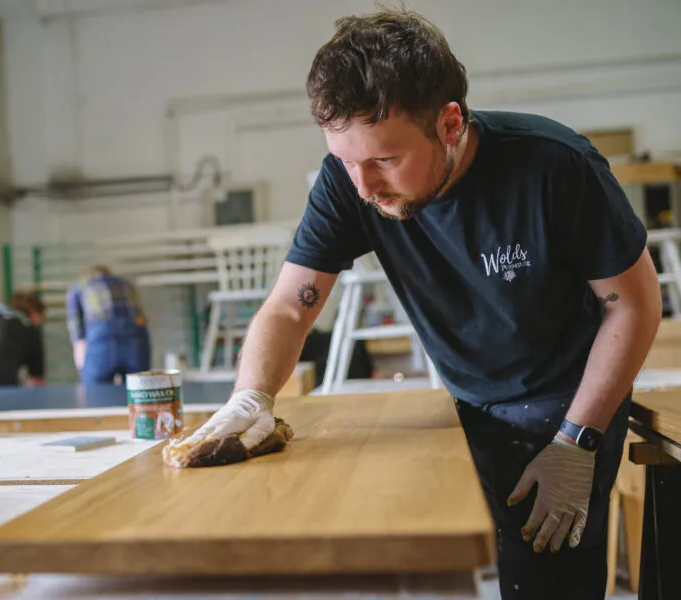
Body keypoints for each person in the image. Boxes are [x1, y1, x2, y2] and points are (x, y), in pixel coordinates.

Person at [181, 10, 662, 600]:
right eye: (345, 160)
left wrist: (576, 441)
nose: (363, 187)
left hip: (568, 401)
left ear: (451, 123)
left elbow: (634, 305)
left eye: (384, 159)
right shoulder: (350, 181)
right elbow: (289, 306)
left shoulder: (553, 166)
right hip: (466, 400)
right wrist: (251, 397)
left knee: (545, 584)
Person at [65, 266, 151, 385]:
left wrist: (80, 355)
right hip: (136, 338)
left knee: (96, 395)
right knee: (139, 391)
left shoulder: (79, 286)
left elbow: (75, 324)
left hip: (101, 337)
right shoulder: (126, 284)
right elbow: (141, 318)